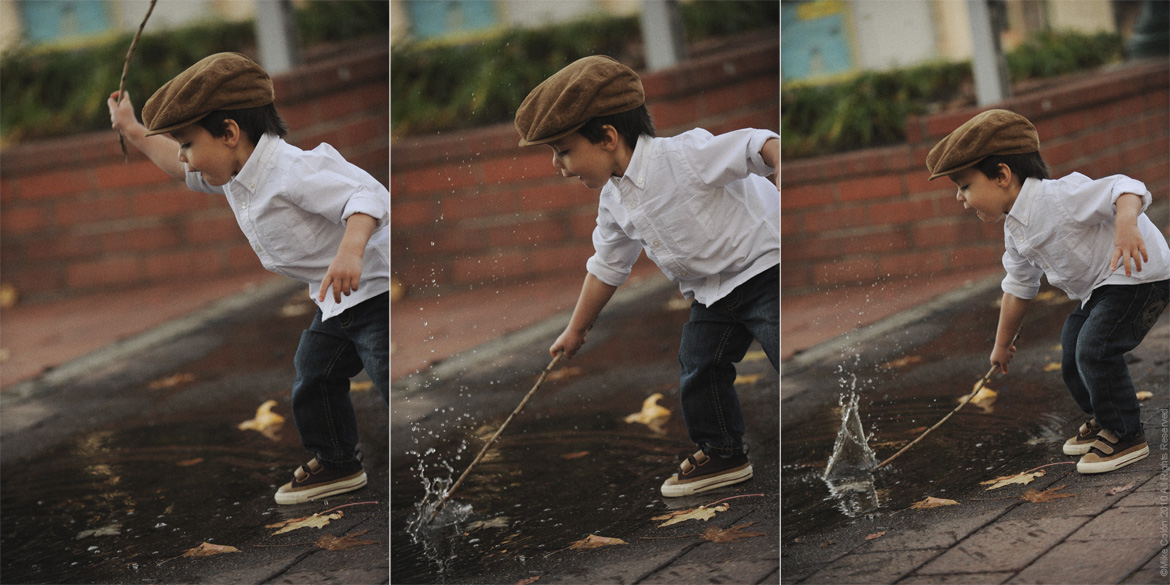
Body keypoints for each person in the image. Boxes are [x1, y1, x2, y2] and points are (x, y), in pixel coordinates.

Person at [108, 52, 389, 503]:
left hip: (372, 288)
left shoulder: (292, 170)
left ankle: (427, 450)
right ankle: (338, 462)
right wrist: (132, 129)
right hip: (337, 301)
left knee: (388, 372)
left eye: (187, 143)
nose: (185, 157)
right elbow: (178, 169)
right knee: (313, 375)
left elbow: (367, 195)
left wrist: (350, 251)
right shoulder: (235, 173)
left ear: (229, 133)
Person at [513, 55, 779, 497]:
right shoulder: (614, 200)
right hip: (712, 294)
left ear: (607, 138)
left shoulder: (683, 155)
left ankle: (840, 416)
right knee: (699, 365)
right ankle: (723, 452)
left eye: (563, 151)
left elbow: (755, 144)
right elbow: (606, 266)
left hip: (763, 270)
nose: (557, 166)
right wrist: (576, 330)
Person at [926, 108, 1170, 474]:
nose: (961, 198)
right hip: (1103, 288)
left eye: (965, 186)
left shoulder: (1060, 196)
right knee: (1072, 345)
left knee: (1095, 347)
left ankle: (1126, 433)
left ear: (1002, 176)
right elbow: (1018, 286)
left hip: (1140, 275)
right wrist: (1001, 343)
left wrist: (1126, 224)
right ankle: (1106, 417)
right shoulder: (1015, 230)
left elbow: (1125, 187)